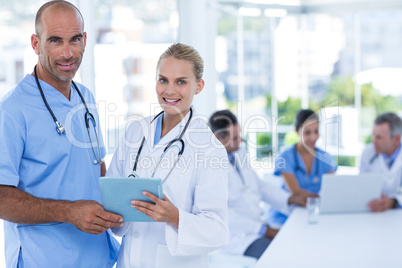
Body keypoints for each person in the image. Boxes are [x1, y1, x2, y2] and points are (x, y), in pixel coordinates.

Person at [0, 1, 122, 267]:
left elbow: (96, 168)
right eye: (55, 41)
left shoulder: (85, 96)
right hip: (43, 258)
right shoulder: (12, 110)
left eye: (75, 39)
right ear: (35, 43)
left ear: (85, 39)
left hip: (96, 255)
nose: (68, 53)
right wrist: (68, 212)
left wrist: (125, 202)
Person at [106, 43, 229, 268]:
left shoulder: (209, 148)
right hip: (128, 260)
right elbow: (112, 197)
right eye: (163, 80)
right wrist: (111, 214)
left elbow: (218, 231)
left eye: (181, 82)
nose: (169, 91)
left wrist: (174, 217)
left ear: (199, 86)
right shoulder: (135, 131)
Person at [208, 110, 307, 259]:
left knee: (295, 244)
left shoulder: (238, 154)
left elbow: (259, 187)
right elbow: (222, 215)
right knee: (282, 256)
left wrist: (290, 198)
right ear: (218, 139)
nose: (241, 140)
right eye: (235, 138)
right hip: (237, 239)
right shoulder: (208, 168)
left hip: (256, 227)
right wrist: (263, 230)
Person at [267, 109, 337, 228]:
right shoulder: (285, 157)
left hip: (314, 213)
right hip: (286, 214)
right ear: (297, 132)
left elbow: (331, 189)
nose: (313, 137)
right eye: (307, 133)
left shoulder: (326, 158)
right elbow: (296, 192)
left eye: (316, 131)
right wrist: (321, 198)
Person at [360, 112, 402, 211]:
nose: (373, 141)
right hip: (373, 215)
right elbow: (360, 186)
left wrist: (392, 202)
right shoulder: (368, 153)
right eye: (373, 135)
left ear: (396, 139)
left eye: (379, 137)